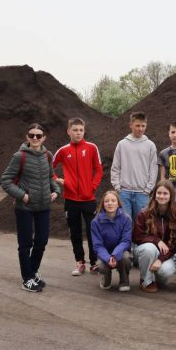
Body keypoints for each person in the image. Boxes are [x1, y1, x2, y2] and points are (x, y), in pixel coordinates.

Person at [1, 123, 61, 292]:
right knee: (25, 244)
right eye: (32, 135)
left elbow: (50, 177)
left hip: (44, 206)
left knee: (41, 242)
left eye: (38, 135)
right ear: (27, 137)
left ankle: (32, 273)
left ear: (44, 138)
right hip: (24, 207)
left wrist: (56, 190)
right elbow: (5, 180)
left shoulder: (48, 155)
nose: (35, 138)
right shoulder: (19, 156)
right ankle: (27, 279)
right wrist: (23, 196)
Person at [53, 117, 103, 276]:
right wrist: (57, 179)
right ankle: (80, 262)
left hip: (89, 199)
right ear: (69, 131)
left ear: (84, 131)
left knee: (92, 231)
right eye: (75, 130)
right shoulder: (63, 150)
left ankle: (94, 263)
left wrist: (92, 187)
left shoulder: (92, 148)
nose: (78, 133)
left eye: (81, 130)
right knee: (75, 232)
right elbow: (48, 167)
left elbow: (99, 170)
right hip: (70, 199)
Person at [133, 180, 176, 292]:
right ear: (154, 194)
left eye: (165, 193)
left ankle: (157, 277)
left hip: (166, 254)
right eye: (159, 193)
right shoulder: (144, 213)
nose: (161, 196)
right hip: (145, 252)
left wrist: (160, 259)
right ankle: (146, 281)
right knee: (149, 248)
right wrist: (156, 240)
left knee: (165, 272)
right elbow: (136, 236)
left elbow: (175, 243)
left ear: (171, 195)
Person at [110, 111, 158, 220]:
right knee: (125, 223)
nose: (140, 129)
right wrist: (117, 187)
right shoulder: (122, 144)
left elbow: (153, 168)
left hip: (142, 193)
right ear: (130, 125)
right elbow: (116, 167)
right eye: (137, 125)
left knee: (142, 224)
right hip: (124, 192)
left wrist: (148, 188)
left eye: (143, 126)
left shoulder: (150, 145)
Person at [91, 190, 133, 292]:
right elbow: (97, 246)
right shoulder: (95, 222)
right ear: (103, 204)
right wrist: (108, 258)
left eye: (113, 200)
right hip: (105, 253)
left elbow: (126, 241)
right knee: (101, 265)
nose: (110, 203)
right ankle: (106, 278)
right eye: (107, 201)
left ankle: (124, 280)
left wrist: (115, 255)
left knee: (126, 258)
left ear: (118, 203)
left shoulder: (126, 219)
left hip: (121, 251)